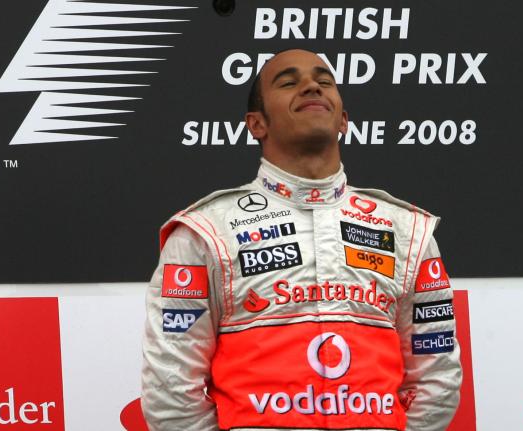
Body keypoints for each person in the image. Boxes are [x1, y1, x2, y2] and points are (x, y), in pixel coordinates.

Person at [141, 49, 461, 430]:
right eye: (288, 82)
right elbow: (170, 387)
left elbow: (437, 379)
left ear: (343, 120)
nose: (312, 86)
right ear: (256, 124)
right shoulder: (206, 231)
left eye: (324, 81)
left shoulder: (406, 230)